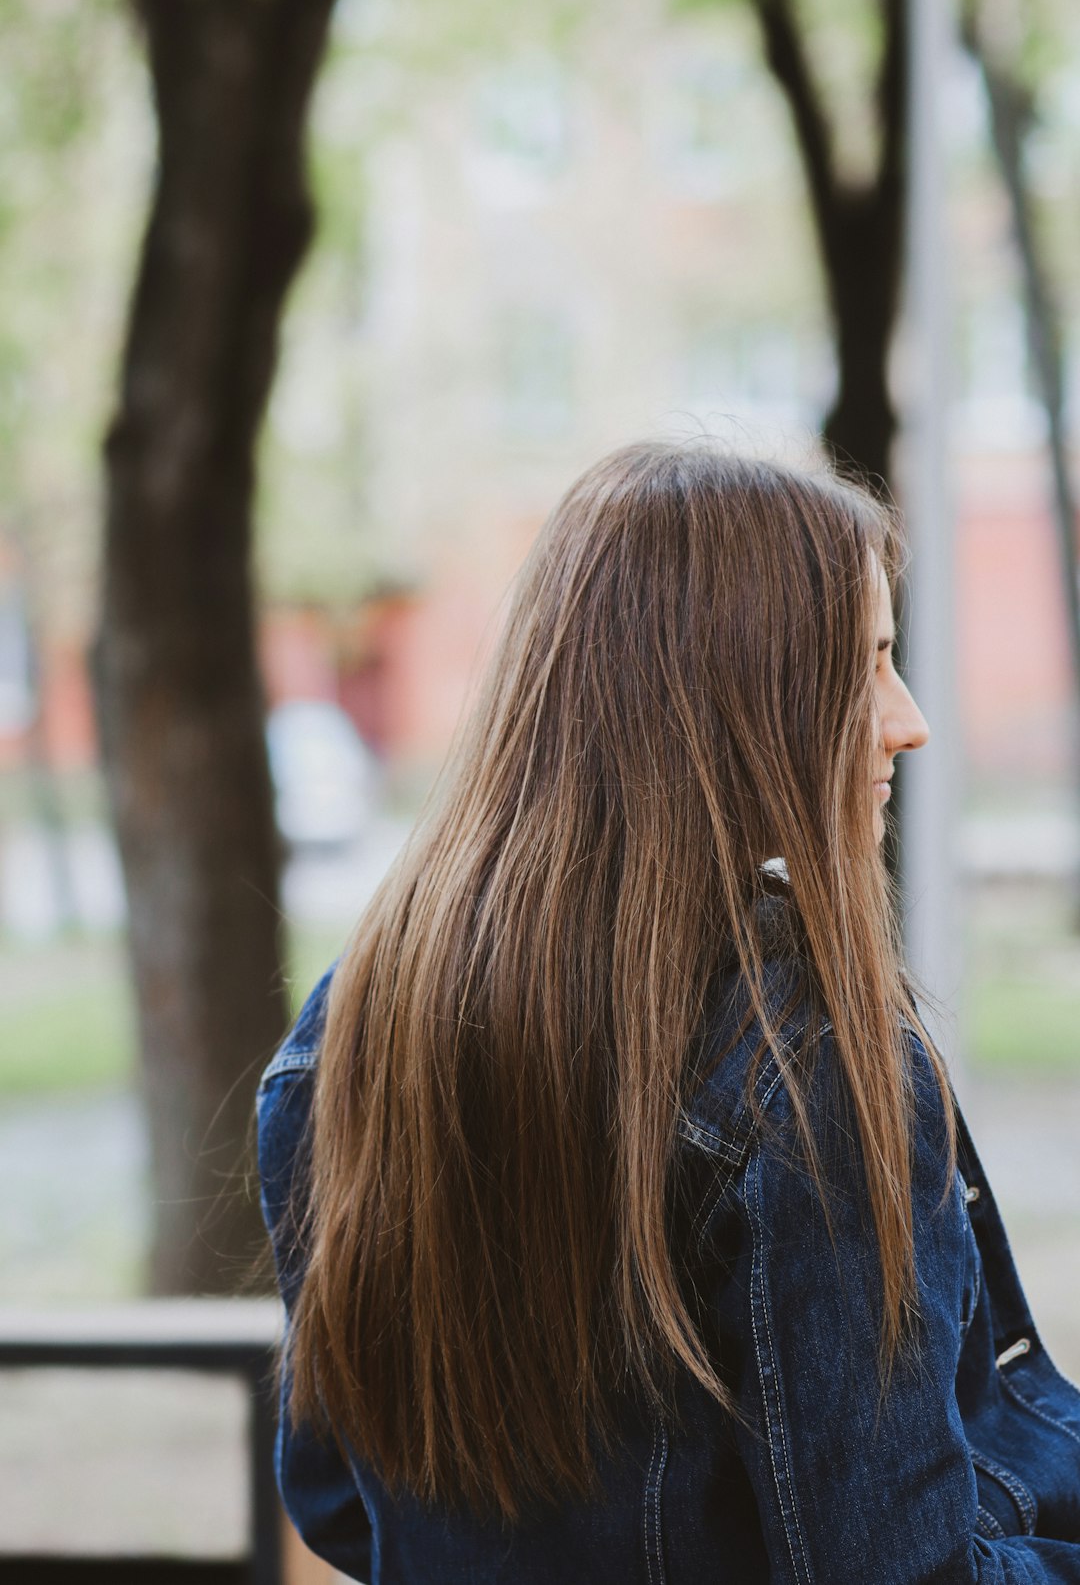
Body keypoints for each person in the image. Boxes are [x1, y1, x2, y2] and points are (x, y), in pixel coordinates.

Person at [258, 442, 1080, 1583]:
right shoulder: (807, 1076)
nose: (908, 721)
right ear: (738, 699)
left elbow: (340, 1500)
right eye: (870, 667)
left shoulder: (351, 1029)